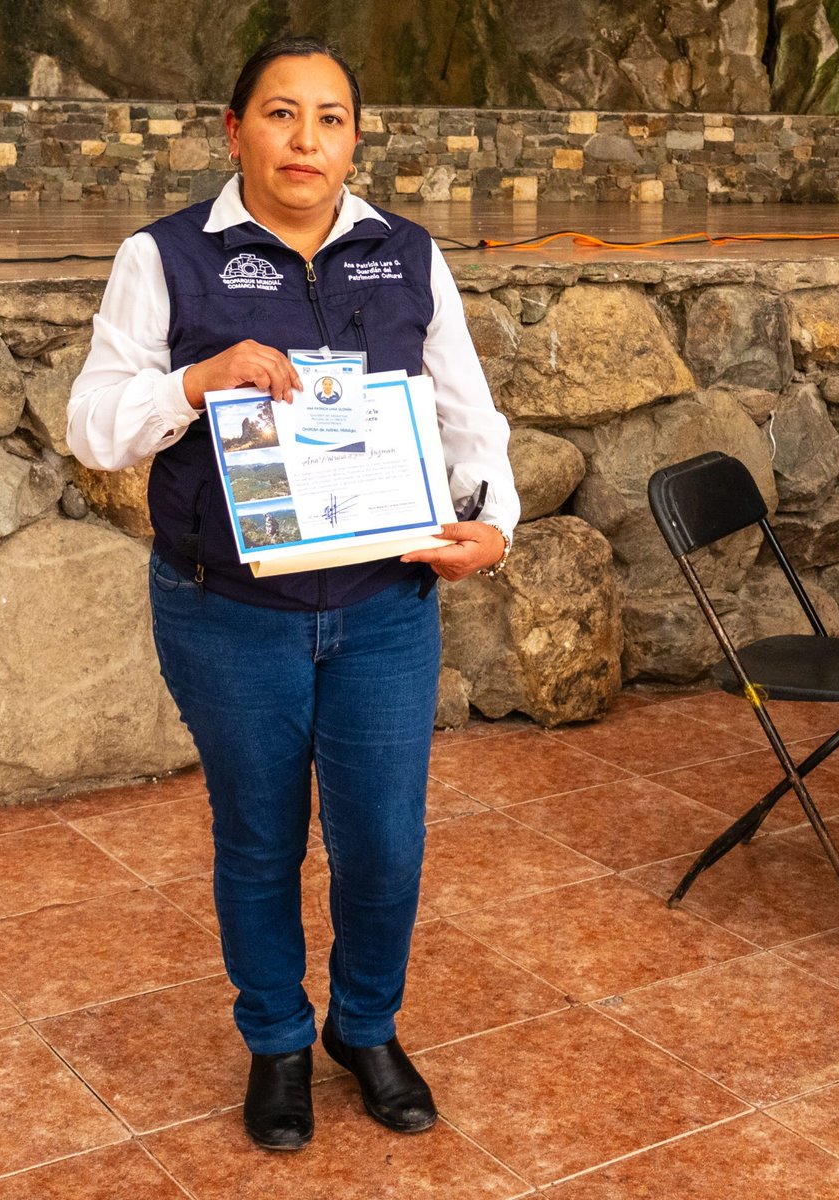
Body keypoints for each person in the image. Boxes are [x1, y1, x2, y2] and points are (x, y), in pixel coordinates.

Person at [67, 36, 518, 1150]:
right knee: (260, 840)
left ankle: (365, 1029)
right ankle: (274, 1040)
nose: (305, 139)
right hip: (228, 612)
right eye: (279, 114)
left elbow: (467, 414)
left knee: (385, 843)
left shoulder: (408, 255)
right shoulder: (165, 256)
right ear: (235, 132)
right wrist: (193, 381)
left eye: (329, 118)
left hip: (383, 610)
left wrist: (495, 524)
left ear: (355, 140)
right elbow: (93, 427)